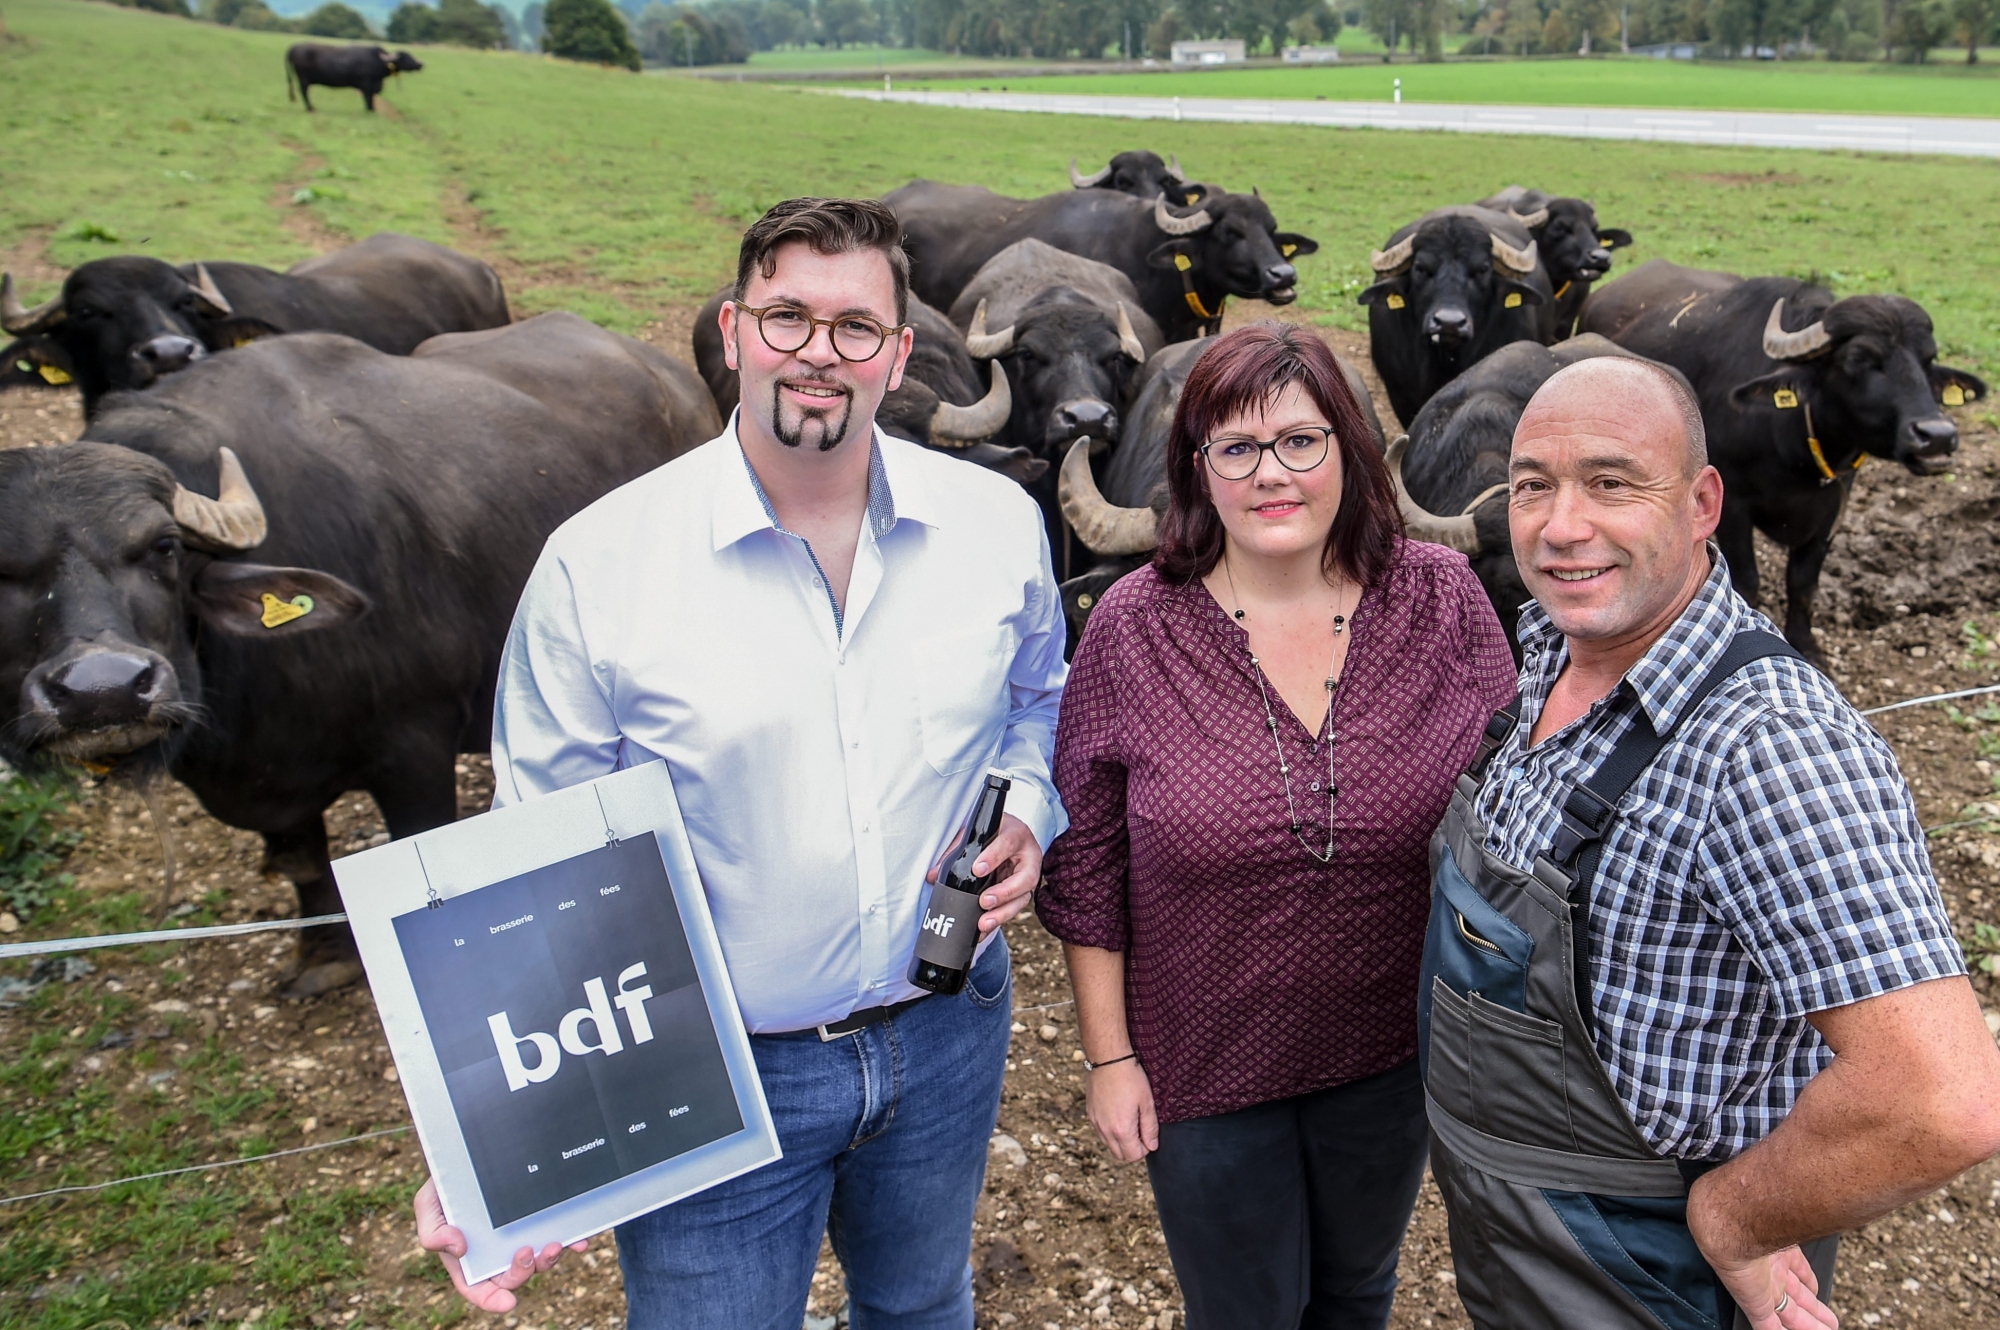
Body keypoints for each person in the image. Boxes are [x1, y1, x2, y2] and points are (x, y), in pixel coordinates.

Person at [409, 197, 1069, 1329]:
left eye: (854, 325)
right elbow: (531, 876)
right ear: (731, 331)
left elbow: (1035, 701)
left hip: (947, 1025)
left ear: (899, 353)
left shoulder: (997, 523)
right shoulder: (600, 566)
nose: (819, 351)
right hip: (711, 1071)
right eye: (786, 316)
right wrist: (501, 1146)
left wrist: (1027, 810)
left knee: (920, 1307)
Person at [1420, 354, 2000, 1330]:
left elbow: (1936, 1098)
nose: (1560, 527)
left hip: (1643, 1266)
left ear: (1699, 505)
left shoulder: (1766, 746)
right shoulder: (1540, 649)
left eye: (1609, 483)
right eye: (1532, 487)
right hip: (1511, 1232)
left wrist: (1728, 1219)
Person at [1038, 323, 1517, 1330]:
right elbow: (1087, 862)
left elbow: (1515, 802)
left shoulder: (1437, 598)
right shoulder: (1133, 624)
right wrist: (1108, 1057)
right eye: (1236, 447)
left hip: (1390, 1052)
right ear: (1196, 470)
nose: (1272, 473)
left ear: (1347, 449)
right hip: (1203, 1062)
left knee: (1353, 1294)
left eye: (1300, 441)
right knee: (1242, 1312)